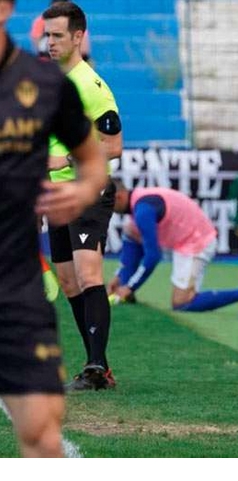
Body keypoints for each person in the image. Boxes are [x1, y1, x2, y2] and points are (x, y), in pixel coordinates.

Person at [0, 0, 107, 456]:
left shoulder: (44, 83)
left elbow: (95, 159)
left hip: (15, 286)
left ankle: (97, 361)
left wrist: (82, 194)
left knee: (43, 435)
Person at [43, 1, 120, 391]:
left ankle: (96, 366)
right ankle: (97, 365)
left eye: (58, 35)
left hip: (88, 190)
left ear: (78, 37)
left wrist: (67, 158)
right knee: (69, 281)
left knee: (89, 274)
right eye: (47, 34)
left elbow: (115, 145)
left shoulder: (91, 85)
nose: (50, 42)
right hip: (58, 196)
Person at [107, 182, 238, 317]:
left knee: (182, 303)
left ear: (119, 197)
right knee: (131, 230)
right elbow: (134, 245)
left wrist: (130, 286)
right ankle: (125, 290)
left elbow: (153, 256)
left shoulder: (143, 210)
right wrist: (119, 277)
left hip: (196, 242)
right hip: (182, 240)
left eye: (108, 203)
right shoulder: (137, 202)